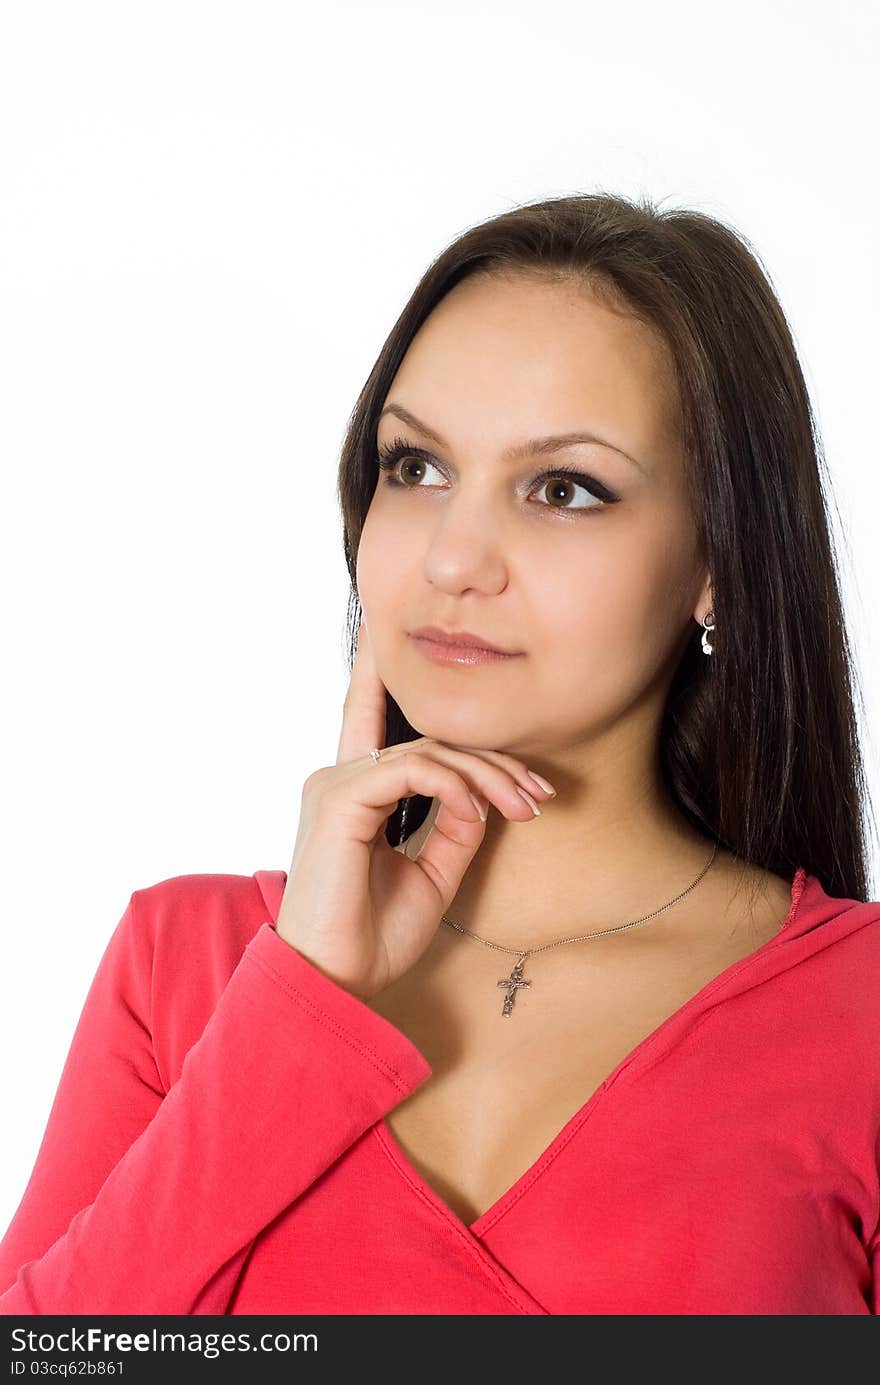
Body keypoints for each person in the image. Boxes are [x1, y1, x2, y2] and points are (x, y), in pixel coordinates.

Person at [1, 192, 878, 1316]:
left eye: (563, 488)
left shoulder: (853, 1012)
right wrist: (295, 1004)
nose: (454, 557)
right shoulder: (184, 963)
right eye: (415, 467)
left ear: (717, 560)